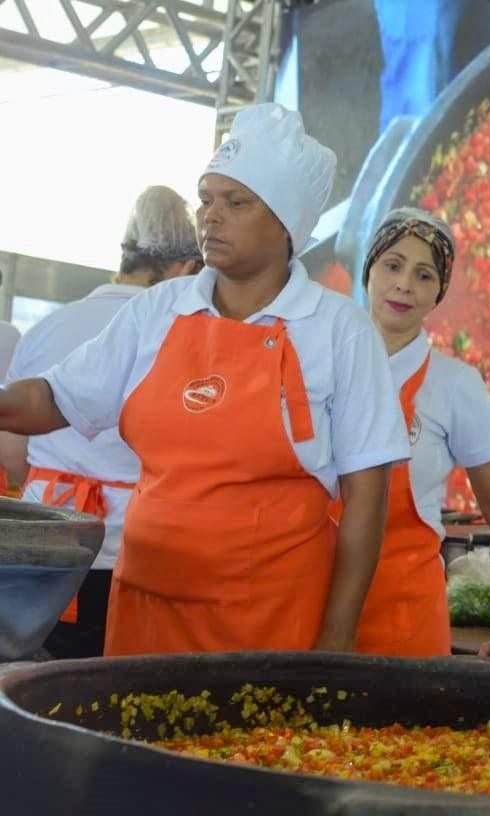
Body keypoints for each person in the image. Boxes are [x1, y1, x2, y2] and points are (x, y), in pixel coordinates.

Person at [0, 103, 410, 656]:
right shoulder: (160, 309)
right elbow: (53, 397)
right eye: (206, 199)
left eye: (236, 203)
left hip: (271, 619)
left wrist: (337, 634)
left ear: (285, 223)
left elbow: (367, 498)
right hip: (148, 604)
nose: (210, 217)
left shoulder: (338, 330)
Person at [0, 185, 202, 659]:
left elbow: (11, 449)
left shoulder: (50, 326)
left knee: (28, 683)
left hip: (41, 547)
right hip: (125, 548)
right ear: (185, 268)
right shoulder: (171, 335)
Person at [333, 207, 490, 660]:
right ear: (368, 271)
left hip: (403, 623)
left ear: (438, 293)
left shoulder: (454, 386)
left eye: (424, 275)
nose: (404, 283)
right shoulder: (320, 366)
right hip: (311, 612)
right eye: (392, 265)